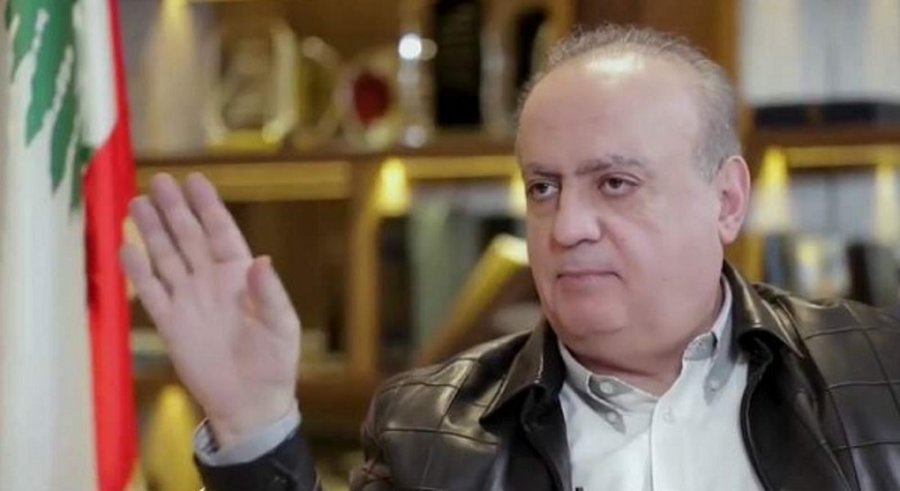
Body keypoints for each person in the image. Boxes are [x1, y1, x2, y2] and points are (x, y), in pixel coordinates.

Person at [121, 24, 900, 491]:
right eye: (544, 188)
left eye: (615, 183)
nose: (568, 227)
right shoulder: (429, 429)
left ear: (726, 199)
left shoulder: (879, 373)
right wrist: (255, 424)